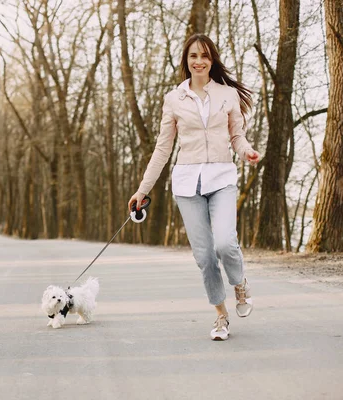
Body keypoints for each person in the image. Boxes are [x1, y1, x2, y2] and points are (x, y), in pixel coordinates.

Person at [128, 34, 260, 341]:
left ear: (212, 60)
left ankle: (239, 283)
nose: (198, 61)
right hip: (187, 184)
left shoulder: (226, 95)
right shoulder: (174, 99)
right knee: (204, 256)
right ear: (186, 62)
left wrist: (247, 151)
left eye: (204, 55)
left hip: (222, 177)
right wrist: (143, 189)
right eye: (192, 56)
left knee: (225, 243)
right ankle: (221, 317)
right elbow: (163, 148)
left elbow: (237, 136)